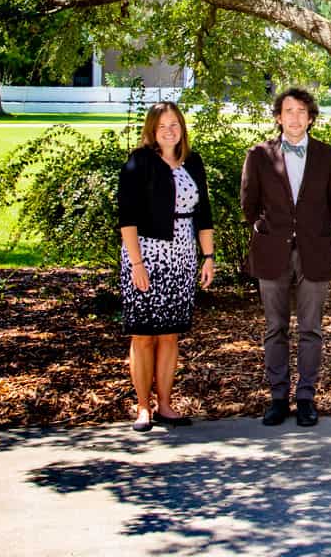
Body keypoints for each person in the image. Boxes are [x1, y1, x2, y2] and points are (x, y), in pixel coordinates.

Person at [241, 88, 331, 427]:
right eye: (288, 111)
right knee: (275, 327)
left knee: (311, 329)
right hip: (272, 252)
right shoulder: (259, 155)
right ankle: (277, 397)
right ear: (278, 117)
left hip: (314, 252)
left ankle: (305, 397)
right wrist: (270, 230)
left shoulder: (328, 156)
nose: (295, 117)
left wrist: (311, 232)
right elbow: (248, 204)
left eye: (301, 111)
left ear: (311, 117)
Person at [118, 101, 215, 433]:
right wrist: (136, 264)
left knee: (170, 335)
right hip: (146, 255)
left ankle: (166, 405)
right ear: (152, 130)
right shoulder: (139, 162)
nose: (169, 131)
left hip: (183, 257)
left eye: (175, 124)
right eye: (162, 126)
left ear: (182, 127)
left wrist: (209, 257)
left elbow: (204, 215)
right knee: (144, 336)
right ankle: (143, 407)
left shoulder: (193, 162)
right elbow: (127, 218)